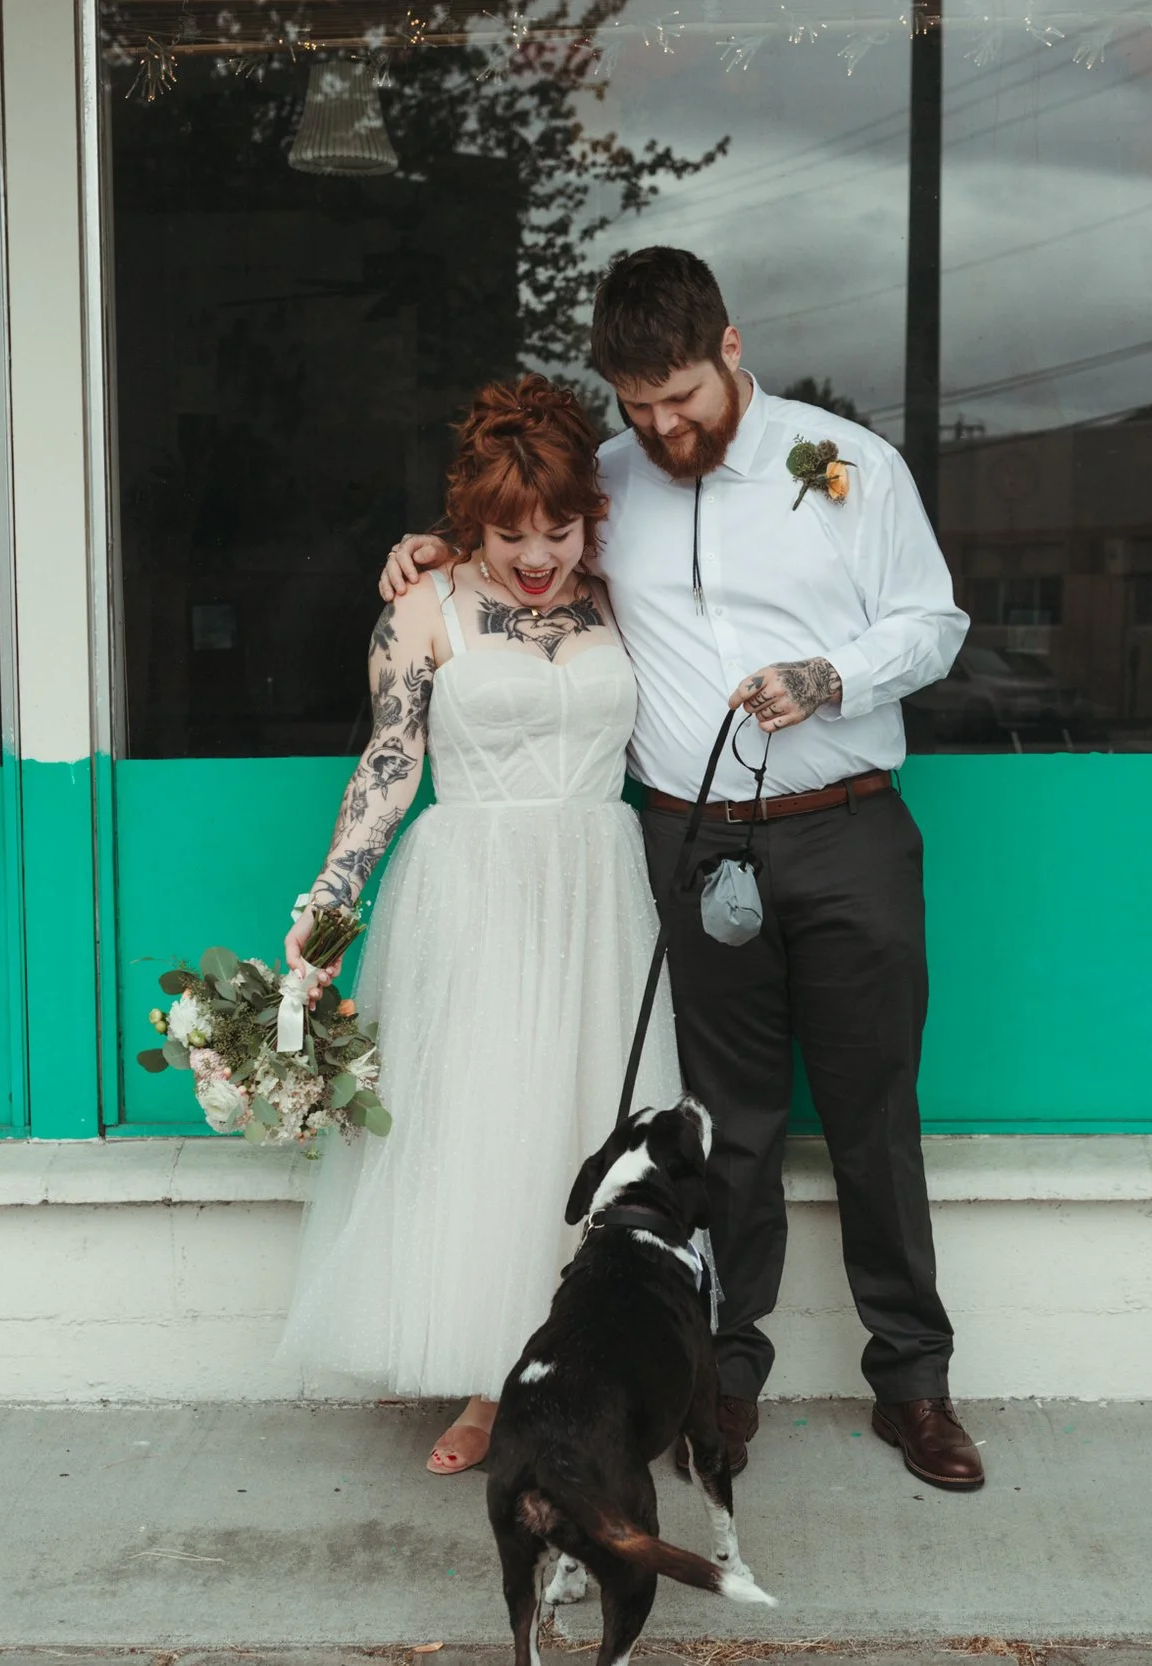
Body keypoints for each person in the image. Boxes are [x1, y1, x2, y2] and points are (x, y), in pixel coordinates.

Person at [381, 247, 983, 1492]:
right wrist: (424, 555)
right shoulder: (603, 485)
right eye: (637, 407)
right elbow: (516, 559)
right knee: (730, 1126)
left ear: (731, 350)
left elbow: (933, 623)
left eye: (683, 403)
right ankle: (727, 1376)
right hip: (689, 835)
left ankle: (913, 1384)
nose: (661, 429)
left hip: (847, 823)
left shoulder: (847, 465)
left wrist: (832, 677)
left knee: (872, 1114)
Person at [280, 373, 681, 1475]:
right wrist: (331, 901)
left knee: (585, 1127)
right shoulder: (425, 601)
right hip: (475, 890)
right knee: (488, 1128)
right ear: (472, 523)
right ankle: (484, 1386)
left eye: (558, 526)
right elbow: (390, 758)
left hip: (597, 887)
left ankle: (590, 1372)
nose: (538, 553)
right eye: (511, 533)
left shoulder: (620, 589)